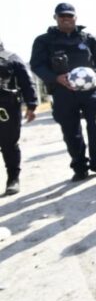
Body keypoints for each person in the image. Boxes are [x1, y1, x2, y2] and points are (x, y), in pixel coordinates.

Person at [30, 3, 96, 181]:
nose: (66, 19)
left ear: (75, 17)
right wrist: (54, 77)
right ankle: (80, 167)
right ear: (56, 18)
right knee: (71, 132)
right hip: (63, 92)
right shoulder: (44, 41)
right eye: (62, 16)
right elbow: (37, 65)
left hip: (90, 91)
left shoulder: (88, 38)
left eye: (70, 16)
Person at [0, 38, 38, 195]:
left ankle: (13, 179)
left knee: (8, 144)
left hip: (7, 108)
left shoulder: (11, 58)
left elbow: (26, 82)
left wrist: (31, 105)